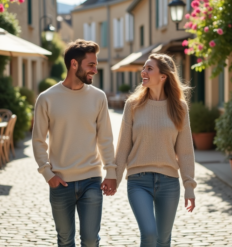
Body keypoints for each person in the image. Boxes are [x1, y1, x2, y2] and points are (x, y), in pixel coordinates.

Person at [32, 39, 117, 247]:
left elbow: (105, 138)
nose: (95, 70)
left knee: (90, 240)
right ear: (74, 64)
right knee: (65, 240)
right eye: (91, 65)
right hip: (60, 182)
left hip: (91, 180)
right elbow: (38, 140)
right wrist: (47, 174)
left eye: (95, 65)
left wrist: (111, 172)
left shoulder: (99, 97)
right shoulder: (47, 98)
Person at [115, 53, 197, 247]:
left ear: (163, 76)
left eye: (149, 68)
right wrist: (114, 178)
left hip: (169, 182)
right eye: (144, 68)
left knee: (163, 240)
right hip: (138, 181)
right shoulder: (132, 105)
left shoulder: (180, 108)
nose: (143, 72)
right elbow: (123, 146)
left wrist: (189, 187)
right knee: (150, 234)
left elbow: (185, 151)